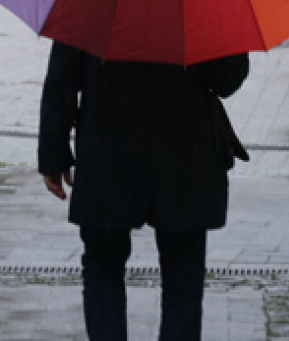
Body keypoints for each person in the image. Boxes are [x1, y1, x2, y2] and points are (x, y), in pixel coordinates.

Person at [38, 41, 249, 340]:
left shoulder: (90, 9)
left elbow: (63, 77)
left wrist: (53, 153)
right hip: (184, 156)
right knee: (183, 277)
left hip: (108, 152)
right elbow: (227, 79)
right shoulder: (205, 10)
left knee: (103, 268)